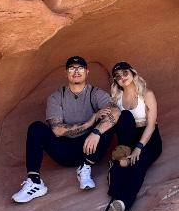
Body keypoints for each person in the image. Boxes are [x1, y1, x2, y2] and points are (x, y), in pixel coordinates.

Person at [12, 56, 121, 203]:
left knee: (110, 121)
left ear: (87, 72)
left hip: (91, 148)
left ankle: (85, 167)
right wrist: (89, 123)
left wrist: (96, 132)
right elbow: (57, 130)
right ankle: (35, 182)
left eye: (80, 68)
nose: (76, 71)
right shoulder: (56, 97)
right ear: (66, 73)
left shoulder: (95, 93)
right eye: (72, 68)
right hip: (64, 150)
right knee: (36, 128)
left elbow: (116, 112)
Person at [104, 61, 162, 211]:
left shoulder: (146, 94)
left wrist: (138, 148)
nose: (122, 77)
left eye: (125, 73)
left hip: (149, 138)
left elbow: (151, 125)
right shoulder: (117, 99)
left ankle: (123, 201)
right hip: (129, 138)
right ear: (116, 81)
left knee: (138, 162)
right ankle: (115, 192)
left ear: (133, 73)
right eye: (118, 76)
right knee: (124, 116)